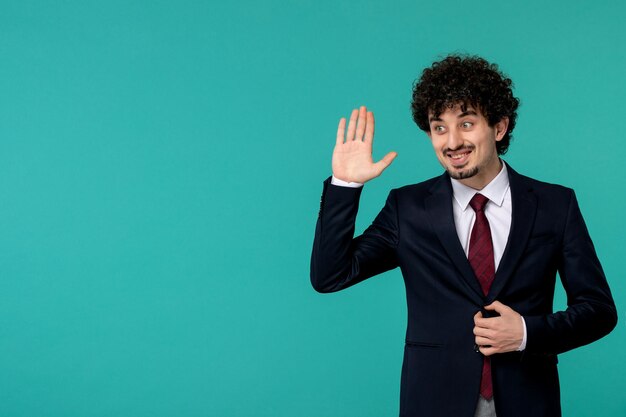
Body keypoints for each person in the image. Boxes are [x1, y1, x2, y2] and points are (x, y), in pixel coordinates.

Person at [310, 55, 617, 417]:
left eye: (466, 124)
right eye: (438, 128)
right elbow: (331, 275)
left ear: (499, 127)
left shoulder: (555, 204)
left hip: (527, 400)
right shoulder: (407, 208)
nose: (452, 142)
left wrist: (524, 333)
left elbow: (598, 311)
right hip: (434, 401)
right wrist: (347, 184)